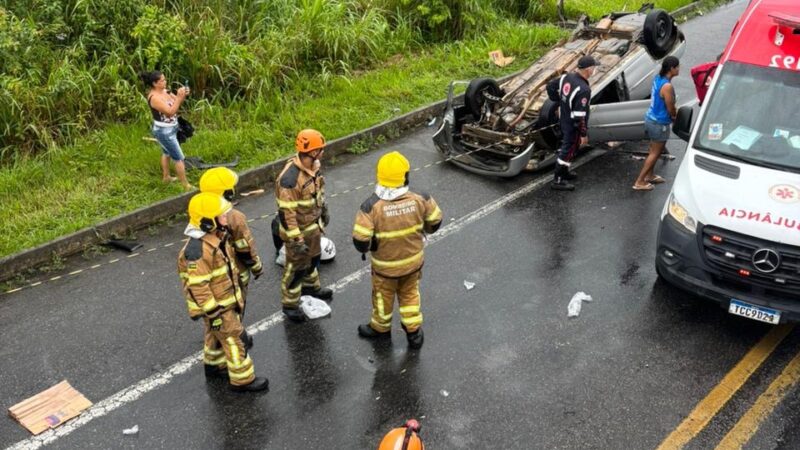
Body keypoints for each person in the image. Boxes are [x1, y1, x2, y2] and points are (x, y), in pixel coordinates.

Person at [177, 192, 268, 392]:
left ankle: (213, 365)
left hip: (224, 300)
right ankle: (243, 379)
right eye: (222, 216)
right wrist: (214, 313)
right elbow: (199, 288)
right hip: (218, 306)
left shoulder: (217, 238)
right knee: (234, 339)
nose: (227, 218)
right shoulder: (198, 251)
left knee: (214, 333)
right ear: (208, 222)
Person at [352, 151, 442, 350]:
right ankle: (414, 332)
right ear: (405, 176)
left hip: (385, 269)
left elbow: (360, 240)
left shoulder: (371, 206)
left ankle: (380, 329)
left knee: (382, 298)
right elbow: (435, 222)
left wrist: (372, 245)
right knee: (410, 295)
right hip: (413, 263)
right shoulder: (421, 197)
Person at [198, 167, 263, 349]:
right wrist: (257, 266)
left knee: (214, 321)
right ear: (226, 192)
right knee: (233, 315)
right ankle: (235, 346)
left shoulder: (201, 213)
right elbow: (245, 247)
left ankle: (213, 360)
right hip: (234, 276)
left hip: (212, 282)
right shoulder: (234, 217)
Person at [275, 129, 334, 322]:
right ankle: (290, 304)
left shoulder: (314, 166)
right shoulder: (290, 180)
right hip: (298, 232)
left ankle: (311, 287)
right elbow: (287, 214)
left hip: (313, 226)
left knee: (314, 259)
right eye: (320, 149)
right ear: (311, 152)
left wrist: (323, 209)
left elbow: (318, 192)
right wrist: (296, 239)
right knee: (296, 268)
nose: (322, 152)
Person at [546, 55, 597, 191]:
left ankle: (564, 172)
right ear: (589, 69)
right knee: (568, 150)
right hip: (572, 125)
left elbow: (550, 86)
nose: (594, 70)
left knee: (570, 149)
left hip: (564, 119)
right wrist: (583, 134)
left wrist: (559, 102)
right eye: (594, 68)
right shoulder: (584, 90)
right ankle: (558, 179)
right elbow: (579, 117)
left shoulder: (566, 77)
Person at [633, 56, 680, 191]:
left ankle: (650, 175)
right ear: (672, 68)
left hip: (651, 118)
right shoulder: (667, 86)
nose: (679, 69)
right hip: (659, 123)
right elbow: (670, 107)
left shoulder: (658, 79)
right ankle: (640, 181)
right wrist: (675, 117)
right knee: (655, 152)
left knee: (654, 150)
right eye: (677, 67)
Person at [141, 70, 192, 190]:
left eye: (165, 79)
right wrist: (179, 98)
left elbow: (177, 103)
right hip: (164, 131)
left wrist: (183, 95)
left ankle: (166, 177)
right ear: (155, 83)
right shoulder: (154, 98)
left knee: (166, 153)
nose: (165, 81)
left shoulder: (165, 91)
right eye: (162, 80)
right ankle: (185, 185)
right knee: (179, 158)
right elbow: (170, 112)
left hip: (172, 127)